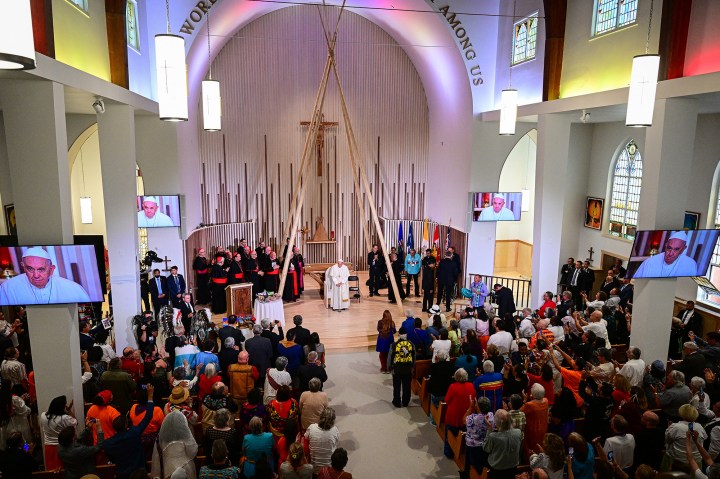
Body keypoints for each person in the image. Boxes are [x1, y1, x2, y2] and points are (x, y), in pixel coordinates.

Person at [0, 246, 91, 304]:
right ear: (23, 267)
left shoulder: (73, 289)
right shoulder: (7, 288)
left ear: (51, 270)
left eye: (41, 269)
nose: (36, 275)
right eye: (30, 269)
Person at [104, 384, 157, 479]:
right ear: (126, 425)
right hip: (139, 472)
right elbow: (148, 416)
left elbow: (111, 458)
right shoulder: (134, 433)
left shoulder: (109, 443)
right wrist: (150, 396)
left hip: (122, 474)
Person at [150, 410, 199, 479]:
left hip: (168, 469)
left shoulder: (161, 438)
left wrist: (156, 475)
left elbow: (156, 457)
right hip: (186, 468)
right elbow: (193, 451)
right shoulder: (185, 436)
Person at [634, 230, 699, 277]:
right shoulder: (649, 262)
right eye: (669, 248)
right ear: (666, 245)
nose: (670, 254)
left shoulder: (690, 264)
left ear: (683, 249)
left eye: (676, 249)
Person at [40, 395, 78, 471]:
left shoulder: (43, 415)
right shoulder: (65, 418)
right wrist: (69, 411)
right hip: (62, 447)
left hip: (48, 447)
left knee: (51, 470)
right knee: (62, 470)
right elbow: (75, 422)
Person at [483, 409, 522, 479]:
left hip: (497, 471)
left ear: (497, 422)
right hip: (512, 469)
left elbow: (486, 448)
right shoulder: (518, 432)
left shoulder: (493, 436)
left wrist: (489, 428)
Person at [388, 326, 415, 408]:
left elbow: (390, 357)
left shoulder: (394, 345)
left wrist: (389, 367)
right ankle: (405, 401)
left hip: (397, 368)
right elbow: (414, 356)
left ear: (399, 335)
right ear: (406, 335)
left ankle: (397, 402)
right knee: (407, 386)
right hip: (407, 368)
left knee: (396, 386)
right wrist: (413, 366)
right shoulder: (411, 344)